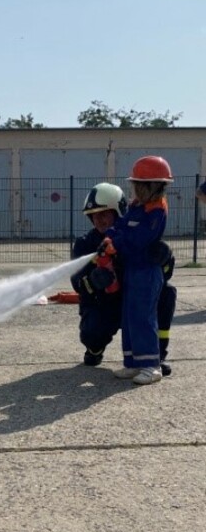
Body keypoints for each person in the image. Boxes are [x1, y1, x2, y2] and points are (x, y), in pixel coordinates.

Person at [71, 182, 176, 377]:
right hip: (106, 305)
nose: (98, 219)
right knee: (92, 332)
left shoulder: (137, 239)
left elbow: (162, 276)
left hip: (136, 300)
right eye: (93, 215)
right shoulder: (85, 245)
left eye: (104, 213)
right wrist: (94, 281)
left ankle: (155, 356)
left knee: (167, 293)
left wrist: (165, 258)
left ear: (119, 212)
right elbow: (77, 284)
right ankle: (95, 349)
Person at [104, 155, 174, 385]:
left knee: (143, 317)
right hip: (132, 269)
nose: (134, 188)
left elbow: (140, 238)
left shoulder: (156, 211)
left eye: (138, 184)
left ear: (153, 186)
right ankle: (134, 363)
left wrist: (118, 244)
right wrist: (109, 238)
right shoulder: (137, 206)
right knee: (130, 316)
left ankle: (151, 366)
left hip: (147, 271)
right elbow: (121, 226)